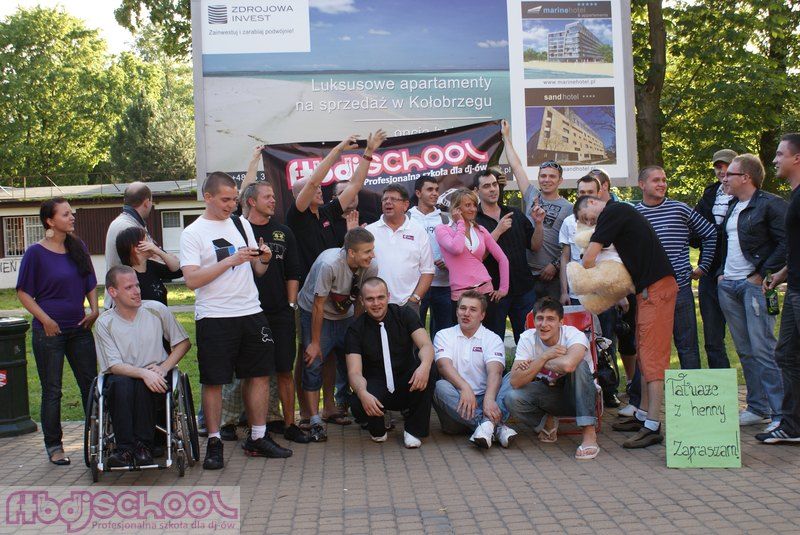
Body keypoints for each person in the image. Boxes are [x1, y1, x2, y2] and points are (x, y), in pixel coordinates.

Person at [180, 172, 289, 470]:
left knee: (260, 374)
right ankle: (214, 441)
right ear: (208, 197)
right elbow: (191, 280)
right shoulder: (193, 233)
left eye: (234, 199)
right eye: (225, 199)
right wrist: (230, 260)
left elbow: (257, 270)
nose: (231, 205)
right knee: (214, 380)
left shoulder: (241, 224)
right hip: (215, 315)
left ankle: (258, 437)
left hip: (250, 311)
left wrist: (263, 258)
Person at [288, 131, 387, 423]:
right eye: (312, 188)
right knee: (310, 354)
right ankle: (307, 413)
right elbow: (314, 181)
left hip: (338, 296)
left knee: (331, 356)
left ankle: (329, 407)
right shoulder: (298, 215)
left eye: (320, 188)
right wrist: (340, 149)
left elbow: (355, 184)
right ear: (300, 196)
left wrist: (368, 152)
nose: (319, 189)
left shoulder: (329, 212)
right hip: (312, 298)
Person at [575, 194, 677, 448]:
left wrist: (587, 278)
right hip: (647, 290)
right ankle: (642, 415)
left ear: (593, 202)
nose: (591, 223)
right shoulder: (619, 213)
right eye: (586, 222)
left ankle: (653, 425)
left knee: (652, 356)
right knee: (643, 353)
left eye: (588, 217)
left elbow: (588, 259)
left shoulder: (612, 212)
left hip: (656, 289)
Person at [16, 197, 99, 465]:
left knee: (90, 385)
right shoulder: (35, 253)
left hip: (80, 328)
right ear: (50, 221)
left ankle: (98, 439)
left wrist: (94, 309)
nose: (71, 217)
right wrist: (46, 320)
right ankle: (54, 446)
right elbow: (23, 293)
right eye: (65, 214)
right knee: (52, 391)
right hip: (49, 333)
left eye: (71, 213)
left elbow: (89, 280)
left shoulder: (78, 246)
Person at [93, 266, 191, 467]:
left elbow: (183, 342)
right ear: (113, 292)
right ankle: (125, 450)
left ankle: (142, 447)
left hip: (157, 374)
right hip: (122, 376)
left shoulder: (156, 309)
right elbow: (114, 365)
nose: (137, 291)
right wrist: (144, 373)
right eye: (129, 287)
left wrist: (164, 367)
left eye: (137, 285)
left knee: (144, 385)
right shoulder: (104, 322)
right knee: (123, 384)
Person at [717, 154, 787, 432]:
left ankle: (781, 414)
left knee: (764, 349)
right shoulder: (733, 205)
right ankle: (758, 408)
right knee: (745, 351)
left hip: (755, 287)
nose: (724, 178)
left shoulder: (770, 204)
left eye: (730, 174)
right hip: (729, 286)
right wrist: (721, 273)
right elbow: (727, 243)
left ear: (745, 177)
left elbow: (786, 243)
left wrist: (761, 275)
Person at [241, 181, 311, 443]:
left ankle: (290, 424)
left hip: (280, 312)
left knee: (284, 369)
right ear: (251, 201)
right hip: (248, 312)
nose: (273, 200)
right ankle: (255, 429)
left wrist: (290, 305)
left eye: (273, 196)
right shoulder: (239, 230)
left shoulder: (283, 232)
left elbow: (293, 272)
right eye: (267, 197)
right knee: (252, 373)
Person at [297, 228, 380, 442]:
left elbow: (361, 300)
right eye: (367, 251)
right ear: (351, 252)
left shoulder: (370, 266)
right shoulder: (330, 264)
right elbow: (318, 305)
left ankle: (332, 409)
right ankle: (314, 419)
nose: (372, 255)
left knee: (346, 358)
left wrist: (357, 332)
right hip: (315, 311)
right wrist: (315, 342)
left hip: (345, 314)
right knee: (314, 360)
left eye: (372, 250)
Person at [635, 166, 717, 370]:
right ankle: (653, 390)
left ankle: (692, 390)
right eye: (656, 180)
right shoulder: (633, 214)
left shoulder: (680, 209)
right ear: (642, 184)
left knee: (688, 347)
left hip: (680, 289)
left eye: (664, 180)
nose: (662, 184)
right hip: (648, 294)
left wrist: (703, 266)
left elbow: (710, 233)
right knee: (650, 348)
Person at [505, 297, 600, 460]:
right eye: (540, 318)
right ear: (534, 321)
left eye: (550, 319)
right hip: (549, 394)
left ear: (561, 322)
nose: (544, 324)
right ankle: (547, 423)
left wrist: (536, 363)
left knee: (579, 365)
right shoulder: (527, 338)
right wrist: (544, 357)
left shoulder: (574, 335)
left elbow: (569, 365)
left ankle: (589, 434)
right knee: (512, 397)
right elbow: (515, 380)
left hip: (582, 395)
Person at [345, 277, 435, 448]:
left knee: (430, 367)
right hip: (376, 385)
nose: (376, 303)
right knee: (357, 402)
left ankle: (413, 430)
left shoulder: (404, 314)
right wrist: (362, 392)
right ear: (362, 301)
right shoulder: (355, 329)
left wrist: (424, 366)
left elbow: (426, 345)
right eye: (370, 299)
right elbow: (354, 372)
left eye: (380, 297)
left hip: (407, 382)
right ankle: (378, 425)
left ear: (388, 296)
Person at [432, 290, 518, 449]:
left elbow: (495, 372)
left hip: (487, 402)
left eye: (473, 310)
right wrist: (465, 388)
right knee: (440, 387)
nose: (466, 313)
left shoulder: (492, 338)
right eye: (463, 308)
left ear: (482, 315)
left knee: (514, 376)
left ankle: (485, 428)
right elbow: (443, 366)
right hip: (456, 406)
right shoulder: (443, 335)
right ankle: (495, 426)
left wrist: (489, 399)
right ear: (457, 311)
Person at [502, 120, 572, 300]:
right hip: (526, 274)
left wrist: (555, 265)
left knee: (552, 316)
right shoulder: (531, 194)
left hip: (551, 276)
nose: (547, 180)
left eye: (552, 176)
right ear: (539, 178)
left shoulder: (569, 208)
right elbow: (516, 166)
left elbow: (571, 244)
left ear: (560, 181)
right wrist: (506, 137)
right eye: (543, 176)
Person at [759, 133, 800, 443]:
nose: (774, 160)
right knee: (786, 353)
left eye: (780, 154)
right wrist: (782, 274)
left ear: (797, 158)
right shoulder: (794, 197)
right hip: (794, 287)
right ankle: (792, 425)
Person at [474, 168, 544, 342]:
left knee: (528, 340)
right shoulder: (474, 221)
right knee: (493, 341)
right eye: (486, 186)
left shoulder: (515, 213)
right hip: (492, 292)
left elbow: (535, 246)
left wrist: (539, 224)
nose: (493, 189)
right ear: (476, 191)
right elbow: (477, 257)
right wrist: (497, 231)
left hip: (523, 288)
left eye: (494, 184)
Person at [434, 189, 509, 329]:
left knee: (490, 336)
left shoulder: (480, 230)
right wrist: (460, 223)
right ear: (456, 208)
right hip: (461, 295)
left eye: (474, 205)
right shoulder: (442, 229)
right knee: (462, 338)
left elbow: (503, 258)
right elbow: (456, 248)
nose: (473, 209)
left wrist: (503, 289)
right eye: (468, 205)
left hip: (486, 292)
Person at [692, 149, 738, 369]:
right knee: (712, 338)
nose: (722, 171)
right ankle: (720, 384)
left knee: (748, 338)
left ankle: (758, 387)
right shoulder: (709, 195)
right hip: (710, 271)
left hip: (738, 272)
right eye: (718, 167)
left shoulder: (747, 196)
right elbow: (694, 230)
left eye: (726, 166)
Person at [365, 185, 434, 313]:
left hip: (408, 305)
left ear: (405, 205)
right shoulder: (369, 231)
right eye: (385, 199)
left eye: (393, 199)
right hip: (375, 305)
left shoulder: (418, 231)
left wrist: (414, 299)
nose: (388, 202)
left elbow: (428, 270)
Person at [407, 175, 455, 339]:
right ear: (418, 193)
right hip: (416, 285)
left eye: (436, 190)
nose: (435, 193)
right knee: (414, 331)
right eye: (429, 189)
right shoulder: (407, 217)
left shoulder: (446, 219)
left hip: (443, 285)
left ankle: (440, 357)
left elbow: (457, 248)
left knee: (444, 334)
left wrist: (448, 262)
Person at [104, 182, 154, 308]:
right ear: (147, 202)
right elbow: (151, 257)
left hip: (122, 297)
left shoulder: (125, 222)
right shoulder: (128, 227)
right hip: (124, 303)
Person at [559, 175, 603, 306]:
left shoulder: (608, 220)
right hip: (577, 295)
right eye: (582, 192)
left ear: (599, 194)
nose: (586, 196)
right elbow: (565, 259)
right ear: (578, 194)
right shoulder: (568, 222)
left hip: (605, 293)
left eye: (590, 192)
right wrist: (564, 292)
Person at [115, 226, 182, 305]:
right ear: (137, 249)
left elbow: (178, 271)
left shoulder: (152, 266)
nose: (152, 244)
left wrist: (160, 252)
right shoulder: (126, 276)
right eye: (147, 240)